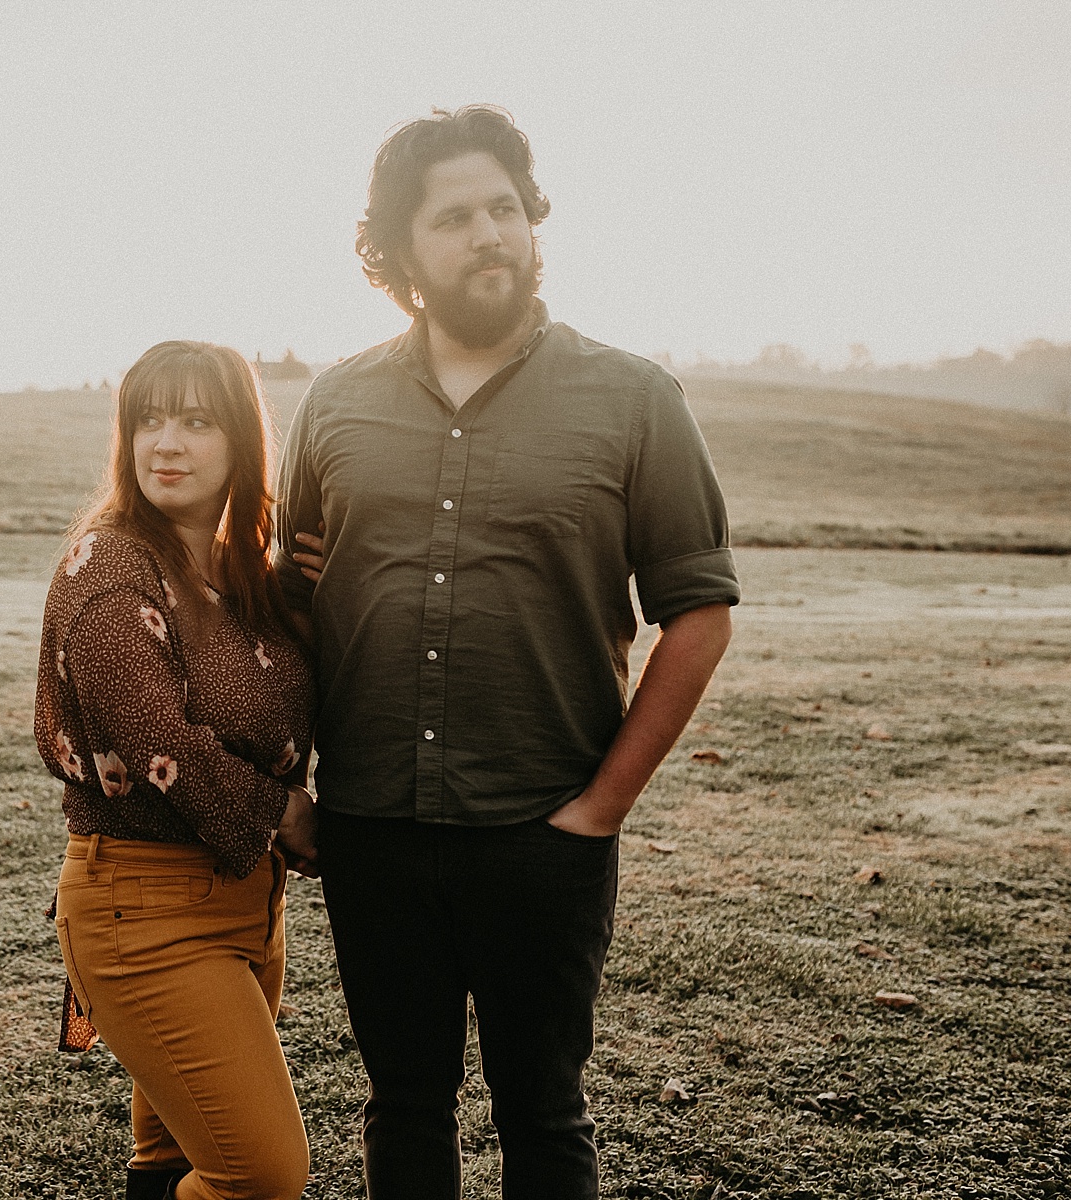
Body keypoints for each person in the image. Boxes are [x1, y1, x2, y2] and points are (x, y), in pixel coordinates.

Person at [274, 105, 741, 1199]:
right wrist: (292, 783)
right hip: (374, 831)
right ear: (398, 254)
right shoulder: (336, 403)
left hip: (547, 828)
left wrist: (602, 809)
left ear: (533, 224)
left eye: (502, 208)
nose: (487, 233)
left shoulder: (635, 401)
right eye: (452, 218)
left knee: (544, 1115)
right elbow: (294, 608)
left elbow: (700, 613)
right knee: (404, 1108)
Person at [35, 340, 319, 1200]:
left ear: (239, 439)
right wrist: (288, 813)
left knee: (175, 1163)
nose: (167, 443)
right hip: (145, 911)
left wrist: (318, 597)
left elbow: (286, 695)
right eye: (149, 419)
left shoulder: (243, 576)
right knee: (261, 1175)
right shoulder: (112, 568)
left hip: (246, 905)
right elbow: (164, 740)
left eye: (196, 421)